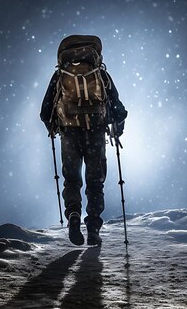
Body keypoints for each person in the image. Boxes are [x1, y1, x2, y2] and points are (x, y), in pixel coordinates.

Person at [40, 35, 127, 246]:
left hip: (69, 133)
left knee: (71, 179)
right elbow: (118, 109)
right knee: (95, 182)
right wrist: (117, 129)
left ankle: (73, 215)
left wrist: (53, 128)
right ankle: (93, 227)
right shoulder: (101, 74)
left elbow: (45, 111)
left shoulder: (60, 75)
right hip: (95, 132)